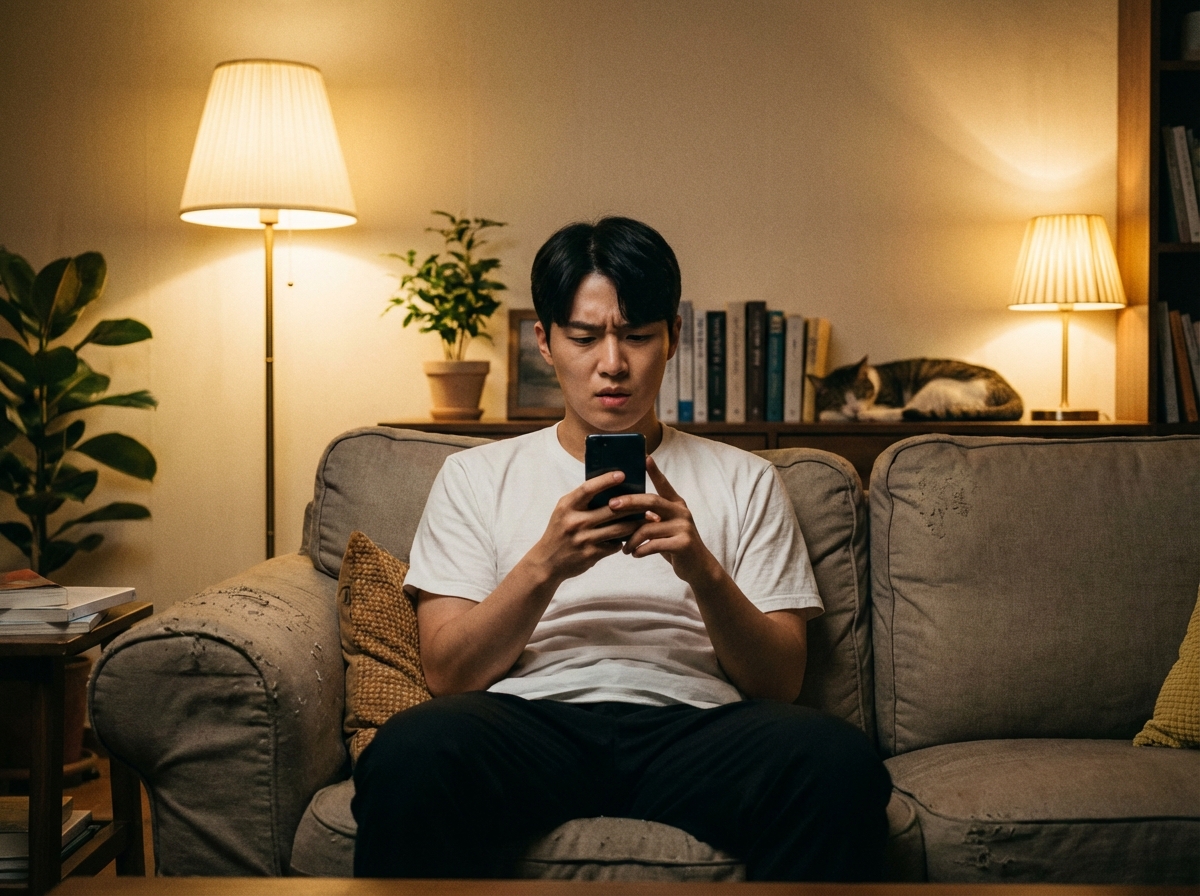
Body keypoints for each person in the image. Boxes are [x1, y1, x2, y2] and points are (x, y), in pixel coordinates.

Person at [351, 216, 892, 881]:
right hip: (530, 722)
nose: (613, 363)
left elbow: (779, 684)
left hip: (695, 728)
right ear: (546, 342)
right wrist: (545, 565)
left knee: (838, 763)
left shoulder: (747, 479)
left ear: (672, 339)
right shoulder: (475, 476)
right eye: (584, 337)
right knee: (409, 752)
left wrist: (702, 571)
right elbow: (447, 675)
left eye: (637, 336)